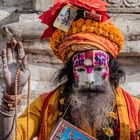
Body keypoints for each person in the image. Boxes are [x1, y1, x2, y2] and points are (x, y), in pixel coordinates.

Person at [0, 0, 140, 140]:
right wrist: (12, 94)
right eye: (81, 70)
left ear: (110, 70)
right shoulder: (44, 106)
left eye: (98, 69)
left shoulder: (135, 109)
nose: (90, 79)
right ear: (71, 73)